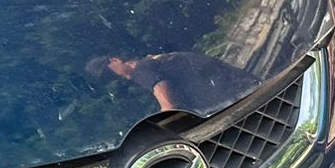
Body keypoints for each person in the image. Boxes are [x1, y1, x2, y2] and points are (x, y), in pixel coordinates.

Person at [86, 49, 251, 115]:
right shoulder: (155, 61)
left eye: (108, 72)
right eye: (106, 78)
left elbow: (164, 93)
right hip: (243, 89)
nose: (111, 77)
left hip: (235, 101)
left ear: (115, 60)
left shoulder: (141, 70)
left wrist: (164, 118)